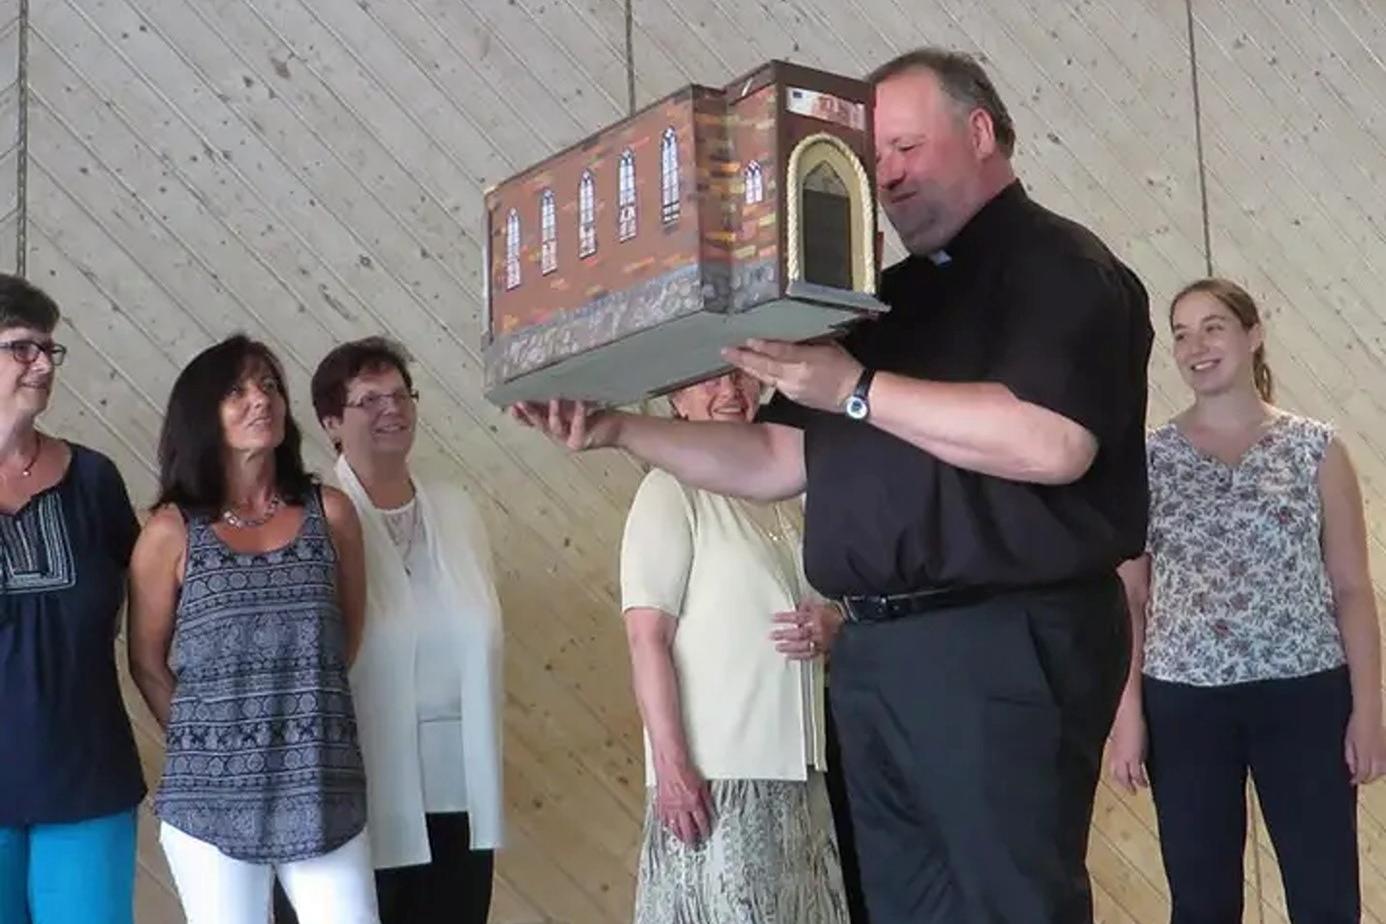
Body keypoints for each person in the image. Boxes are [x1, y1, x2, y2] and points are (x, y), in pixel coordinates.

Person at [511, 46, 1153, 923]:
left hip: (1004, 638)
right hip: (880, 653)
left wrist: (854, 389)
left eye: (905, 147)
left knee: (1011, 905)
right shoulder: (880, 305)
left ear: (979, 132)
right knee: (901, 908)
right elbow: (773, 461)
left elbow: (1052, 443)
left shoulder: (1061, 268)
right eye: (872, 157)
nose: (885, 175)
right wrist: (619, 428)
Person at [1107, 278, 1386, 922]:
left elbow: (1351, 588)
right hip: (1184, 702)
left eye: (1213, 327)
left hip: (1307, 695)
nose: (1195, 346)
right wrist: (1128, 715)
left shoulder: (1317, 449)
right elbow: (1130, 599)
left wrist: (1367, 710)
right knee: (1202, 904)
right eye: (1180, 333)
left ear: (1252, 335)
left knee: (1325, 900)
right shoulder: (1148, 460)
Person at [126, 334, 378, 924]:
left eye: (268, 386)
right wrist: (207, 739)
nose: (259, 400)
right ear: (202, 414)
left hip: (321, 787)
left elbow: (348, 635)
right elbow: (145, 660)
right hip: (210, 800)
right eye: (236, 391)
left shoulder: (331, 514)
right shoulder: (170, 533)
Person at [272, 337, 504, 924]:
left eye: (401, 396)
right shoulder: (308, 520)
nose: (391, 410)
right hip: (356, 787)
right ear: (330, 423)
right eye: (369, 401)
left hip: (459, 787)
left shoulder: (457, 509)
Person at [620, 370, 849, 924]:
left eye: (743, 376)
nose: (731, 391)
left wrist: (834, 625)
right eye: (708, 380)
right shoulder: (668, 489)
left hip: (800, 772)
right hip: (716, 782)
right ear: (675, 396)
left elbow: (832, 605)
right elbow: (646, 638)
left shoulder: (785, 494)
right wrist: (673, 768)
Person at [0, 275, 145, 924]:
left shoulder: (95, 480)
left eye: (48, 350)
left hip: (86, 780)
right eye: (21, 348)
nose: (41, 364)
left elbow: (142, 615)